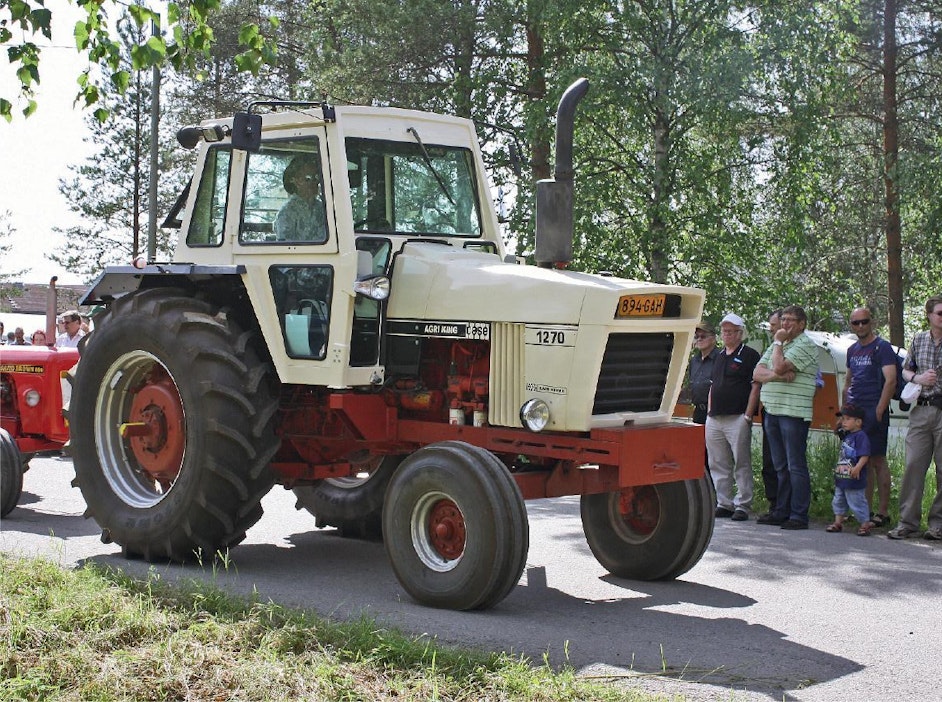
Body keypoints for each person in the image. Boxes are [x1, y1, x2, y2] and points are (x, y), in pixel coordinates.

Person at [753, 305, 819, 530]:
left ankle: (799, 515)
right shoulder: (777, 344)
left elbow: (779, 365)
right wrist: (778, 377)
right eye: (784, 320)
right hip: (772, 409)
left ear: (802, 324)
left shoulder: (806, 345)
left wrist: (779, 345)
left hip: (794, 413)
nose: (785, 324)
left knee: (795, 465)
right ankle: (781, 511)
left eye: (791, 320)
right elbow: (757, 373)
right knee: (779, 465)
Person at [888, 295, 942, 541]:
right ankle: (907, 522)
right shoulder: (919, 339)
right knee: (913, 466)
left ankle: (937, 525)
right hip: (920, 410)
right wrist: (917, 378)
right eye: (940, 313)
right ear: (929, 315)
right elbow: (906, 369)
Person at [842, 306, 897, 527]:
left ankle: (882, 513)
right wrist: (844, 410)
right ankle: (864, 511)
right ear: (851, 325)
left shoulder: (882, 348)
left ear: (871, 322)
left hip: (874, 408)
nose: (861, 326)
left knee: (876, 459)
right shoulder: (852, 350)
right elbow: (848, 381)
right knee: (858, 459)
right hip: (854, 411)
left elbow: (891, 380)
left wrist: (879, 409)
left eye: (864, 321)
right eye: (856, 323)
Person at [706, 313, 761, 520]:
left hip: (737, 416)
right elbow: (713, 386)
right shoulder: (719, 356)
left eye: (731, 331)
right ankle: (724, 502)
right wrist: (710, 411)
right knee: (718, 461)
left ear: (740, 333)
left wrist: (748, 415)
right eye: (725, 331)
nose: (727, 335)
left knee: (741, 461)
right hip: (715, 417)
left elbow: (755, 386)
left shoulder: (749, 355)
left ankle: (743, 504)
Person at [826, 405, 875, 536]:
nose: (844, 422)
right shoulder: (847, 435)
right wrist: (839, 426)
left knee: (857, 501)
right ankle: (838, 522)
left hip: (854, 477)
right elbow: (837, 432)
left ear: (858, 422)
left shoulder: (861, 436)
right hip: (842, 476)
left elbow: (865, 455)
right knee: (838, 500)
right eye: (843, 419)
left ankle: (865, 524)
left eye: (847, 419)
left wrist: (858, 467)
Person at [275, 154, 327, 242]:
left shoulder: (323, 208)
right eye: (308, 178)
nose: (314, 182)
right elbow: (285, 248)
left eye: (316, 177)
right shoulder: (287, 213)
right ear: (294, 181)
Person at [760, 308, 783, 507]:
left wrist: (773, 372)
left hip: (789, 412)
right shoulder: (770, 348)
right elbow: (757, 374)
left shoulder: (798, 347)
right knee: (769, 461)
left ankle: (787, 506)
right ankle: (773, 504)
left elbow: (816, 383)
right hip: (768, 410)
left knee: (786, 463)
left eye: (774, 326)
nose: (771, 330)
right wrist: (777, 375)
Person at [688, 321, 720, 425]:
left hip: (716, 413)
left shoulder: (721, 359)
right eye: (697, 336)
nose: (699, 339)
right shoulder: (694, 361)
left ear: (713, 338)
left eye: (703, 336)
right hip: (698, 412)